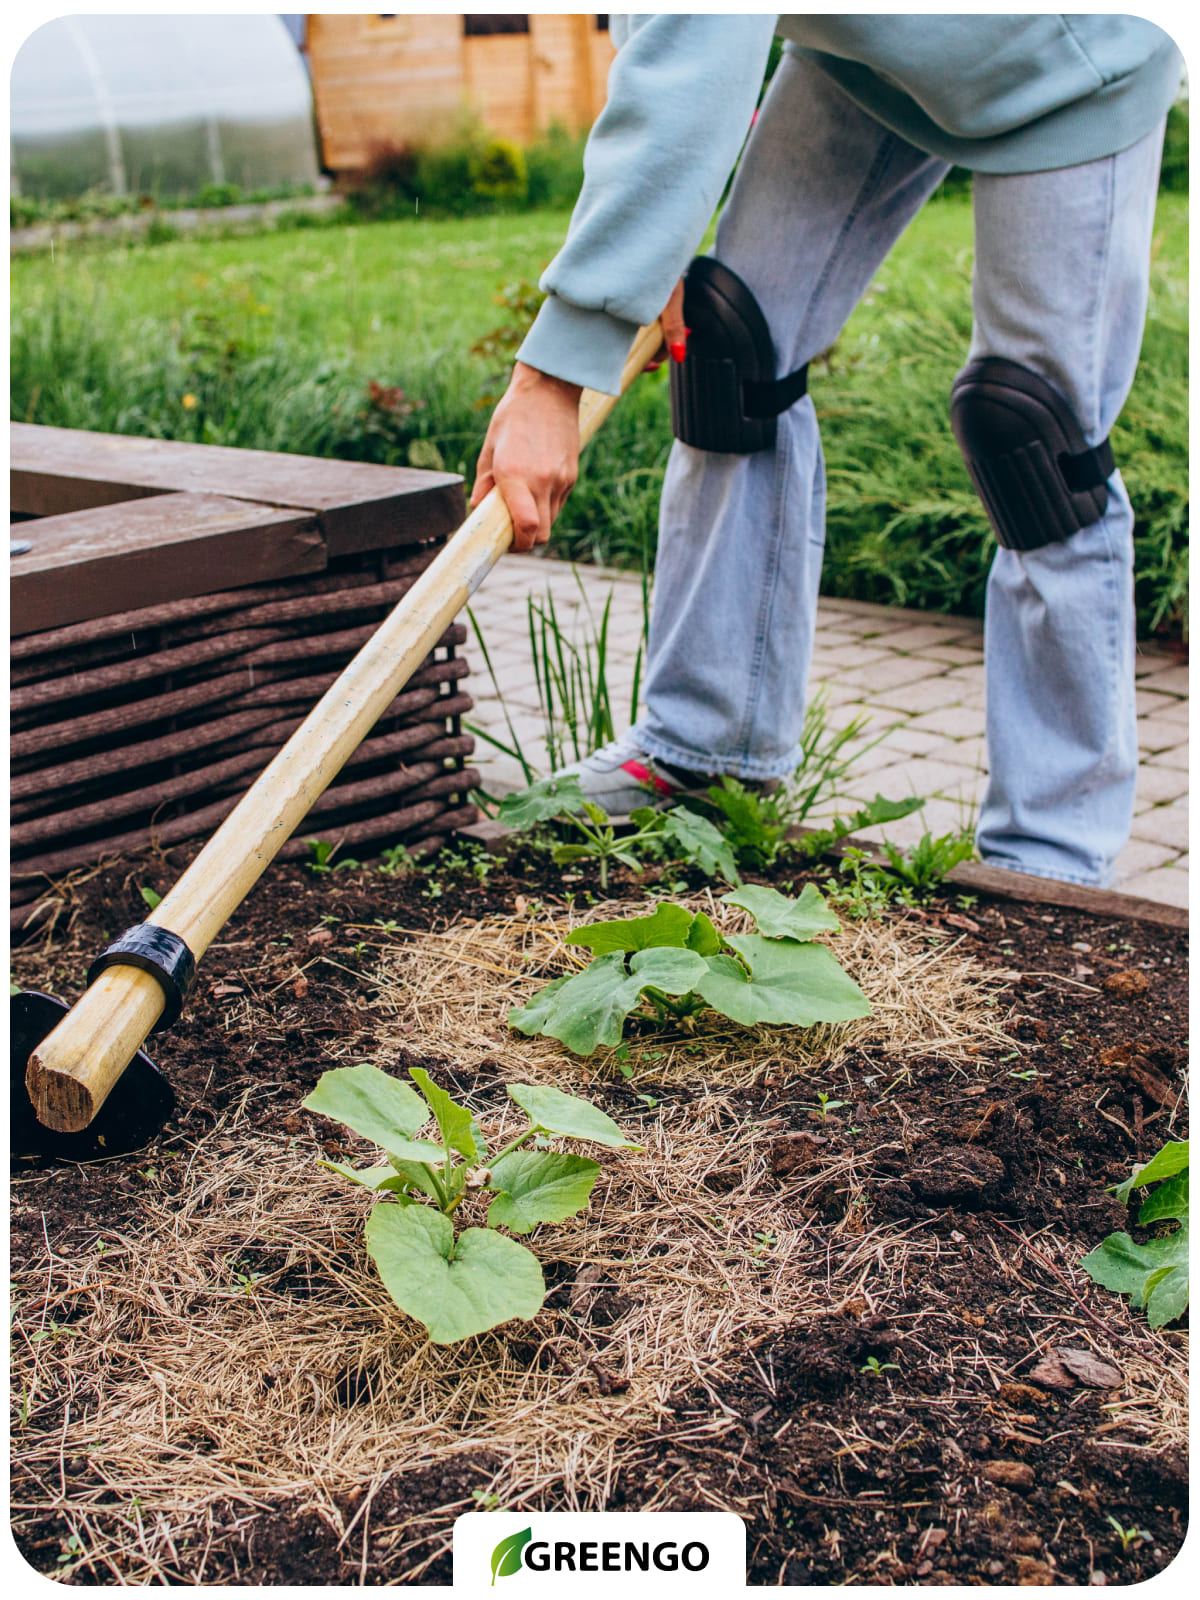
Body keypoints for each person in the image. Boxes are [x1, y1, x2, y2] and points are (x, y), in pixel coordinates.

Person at [470, 15, 1182, 887]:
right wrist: (639, 264)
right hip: (869, 58)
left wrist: (552, 378)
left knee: (1033, 438)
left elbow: (695, 55)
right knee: (731, 353)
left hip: (1073, 60)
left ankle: (1051, 855)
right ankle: (703, 751)